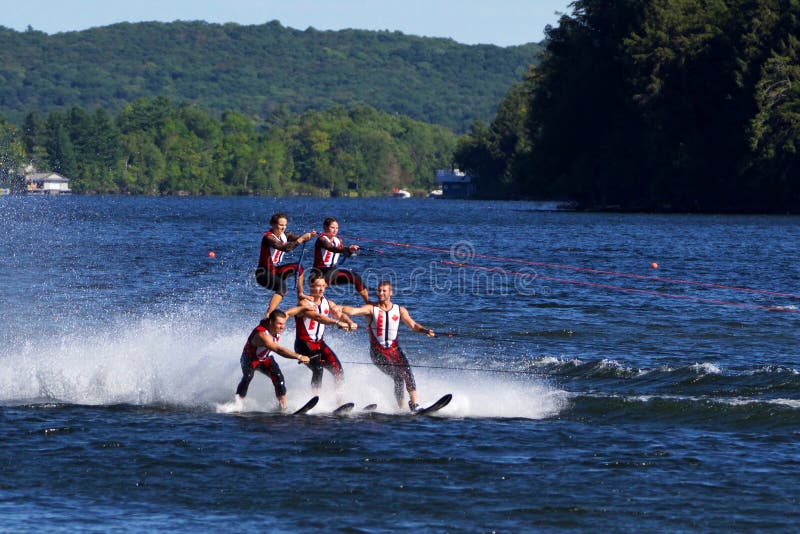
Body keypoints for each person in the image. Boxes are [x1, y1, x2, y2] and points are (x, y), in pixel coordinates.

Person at [340, 280, 434, 412]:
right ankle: (401, 408)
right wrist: (339, 308)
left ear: (391, 292)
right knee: (398, 377)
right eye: (379, 290)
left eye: (384, 291)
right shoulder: (371, 309)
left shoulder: (399, 310)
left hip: (395, 350)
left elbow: (413, 325)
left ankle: (414, 405)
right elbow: (354, 311)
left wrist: (425, 330)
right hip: (377, 352)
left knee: (408, 374)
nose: (380, 293)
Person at [293, 271, 358, 401]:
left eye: (323, 285)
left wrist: (349, 322)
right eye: (318, 286)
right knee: (318, 369)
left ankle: (340, 402)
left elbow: (339, 314)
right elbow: (318, 317)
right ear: (311, 287)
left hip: (319, 344)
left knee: (338, 370)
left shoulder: (328, 303)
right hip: (303, 344)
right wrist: (337, 323)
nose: (321, 289)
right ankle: (315, 400)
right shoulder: (304, 304)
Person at [235, 307, 311, 411]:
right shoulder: (262, 335)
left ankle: (283, 408)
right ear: (271, 322)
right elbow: (278, 349)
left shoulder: (278, 321)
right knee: (248, 376)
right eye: (279, 324)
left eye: (283, 324)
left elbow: (288, 313)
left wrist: (304, 307)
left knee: (279, 378)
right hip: (250, 358)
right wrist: (298, 356)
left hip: (266, 358)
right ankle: (237, 405)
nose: (282, 327)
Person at [256, 212, 317, 319]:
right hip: (263, 273)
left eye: (285, 225)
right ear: (273, 225)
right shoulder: (268, 238)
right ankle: (269, 313)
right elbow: (286, 248)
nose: (283, 228)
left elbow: (298, 238)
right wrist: (301, 239)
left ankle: (300, 294)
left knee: (299, 268)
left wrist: (310, 236)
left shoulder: (286, 235)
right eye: (280, 225)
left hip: (275, 270)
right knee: (282, 286)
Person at [307, 217, 369, 304]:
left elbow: (345, 253)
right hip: (318, 272)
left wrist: (351, 251)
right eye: (332, 227)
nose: (335, 230)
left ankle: (369, 303)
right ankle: (313, 304)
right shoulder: (321, 239)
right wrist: (347, 249)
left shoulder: (338, 240)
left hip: (333, 272)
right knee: (319, 288)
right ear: (325, 227)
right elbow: (331, 248)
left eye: (337, 228)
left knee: (356, 278)